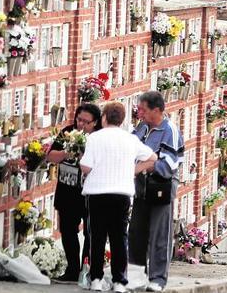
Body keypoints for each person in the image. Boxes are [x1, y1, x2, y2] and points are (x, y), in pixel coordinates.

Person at [80, 102, 157, 293]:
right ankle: (119, 282)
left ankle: (96, 279)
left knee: (97, 236)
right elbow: (152, 158)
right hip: (122, 193)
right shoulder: (130, 140)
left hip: (97, 193)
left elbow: (86, 166)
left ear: (104, 117)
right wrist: (133, 170)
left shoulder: (95, 138)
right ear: (122, 120)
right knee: (119, 237)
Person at [129, 91, 185, 292]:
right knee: (136, 232)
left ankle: (158, 279)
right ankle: (136, 275)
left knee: (159, 234)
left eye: (143, 109)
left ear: (157, 110)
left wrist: (144, 166)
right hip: (141, 188)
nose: (139, 113)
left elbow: (168, 164)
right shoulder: (142, 127)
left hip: (160, 187)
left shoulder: (169, 130)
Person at [47, 104, 102, 283]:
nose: (81, 125)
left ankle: (86, 269)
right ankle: (71, 269)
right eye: (79, 120)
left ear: (95, 123)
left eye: (86, 122)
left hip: (90, 192)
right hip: (67, 189)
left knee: (90, 232)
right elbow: (51, 156)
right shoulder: (68, 132)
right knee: (68, 230)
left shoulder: (99, 138)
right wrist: (67, 151)